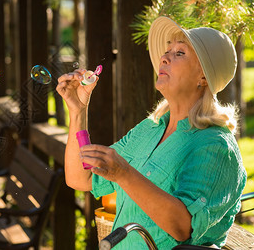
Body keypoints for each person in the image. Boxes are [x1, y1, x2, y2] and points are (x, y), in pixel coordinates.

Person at [56, 16, 247, 249]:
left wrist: (124, 173)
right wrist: (78, 112)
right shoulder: (150, 128)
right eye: (167, 51)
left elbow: (182, 227)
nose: (164, 57)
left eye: (179, 53)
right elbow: (81, 178)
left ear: (204, 77)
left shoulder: (215, 145)